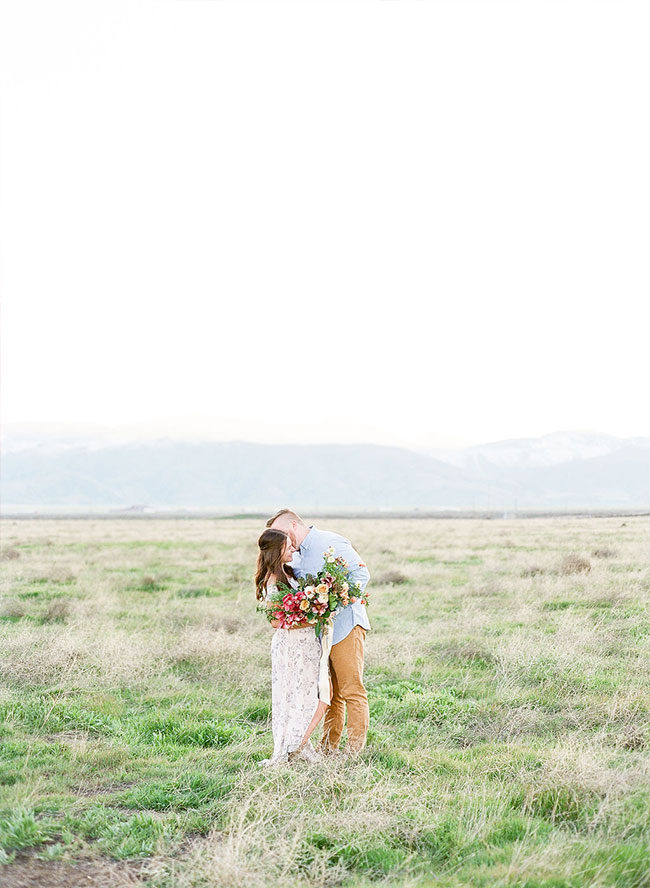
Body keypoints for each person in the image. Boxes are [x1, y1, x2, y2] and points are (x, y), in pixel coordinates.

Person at [266, 509, 371, 754]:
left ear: (293, 525)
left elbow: (361, 574)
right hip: (321, 635)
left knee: (351, 690)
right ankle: (328, 748)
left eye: (282, 533)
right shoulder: (296, 557)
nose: (283, 541)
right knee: (330, 693)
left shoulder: (329, 542)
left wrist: (335, 604)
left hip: (346, 627)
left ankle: (354, 752)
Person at [255, 528, 323, 764]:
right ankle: (291, 745)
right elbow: (276, 621)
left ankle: (301, 743)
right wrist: (310, 619)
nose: (294, 549)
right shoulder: (272, 581)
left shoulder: (290, 572)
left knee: (306, 695)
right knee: (292, 694)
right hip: (290, 646)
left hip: (306, 643)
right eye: (289, 546)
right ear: (277, 550)